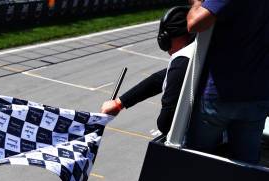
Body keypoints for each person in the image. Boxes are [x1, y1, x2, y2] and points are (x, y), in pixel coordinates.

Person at [185, 0, 269, 164]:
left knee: (195, 162)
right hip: (258, 95)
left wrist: (196, 3)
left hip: (221, 95)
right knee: (246, 167)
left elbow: (194, 23)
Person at [101, 6, 195, 135]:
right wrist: (120, 102)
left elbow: (166, 123)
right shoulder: (198, 50)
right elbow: (158, 79)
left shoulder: (182, 62)